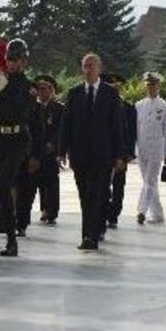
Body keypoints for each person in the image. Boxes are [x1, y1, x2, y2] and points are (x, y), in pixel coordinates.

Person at [58, 53, 126, 251]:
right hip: (80, 156)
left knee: (97, 194)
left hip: (103, 155)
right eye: (84, 66)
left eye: (91, 66)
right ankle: (91, 231)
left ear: (99, 69)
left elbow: (117, 126)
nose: (87, 70)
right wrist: (62, 151)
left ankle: (91, 236)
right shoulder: (74, 93)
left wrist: (120, 155)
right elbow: (66, 124)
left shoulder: (110, 94)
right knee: (84, 195)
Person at [0, 39, 33, 257]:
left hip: (18, 140)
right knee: (3, 188)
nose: (11, 63)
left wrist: (0, 108)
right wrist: (0, 110)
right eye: (9, 59)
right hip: (1, 139)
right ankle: (11, 240)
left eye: (15, 59)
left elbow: (19, 112)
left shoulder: (27, 87)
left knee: (4, 181)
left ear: (23, 61)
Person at [16, 75, 64, 230]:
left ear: (51, 90)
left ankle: (50, 211)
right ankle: (26, 214)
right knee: (32, 183)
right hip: (34, 150)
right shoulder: (31, 108)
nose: (41, 92)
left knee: (50, 183)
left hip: (50, 152)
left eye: (44, 89)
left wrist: (54, 145)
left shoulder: (59, 108)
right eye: (38, 89)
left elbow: (61, 129)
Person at [134, 72, 166, 225]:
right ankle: (158, 215)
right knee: (148, 181)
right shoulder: (139, 105)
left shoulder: (165, 107)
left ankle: (141, 211)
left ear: (159, 86)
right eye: (148, 85)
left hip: (157, 149)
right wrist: (133, 150)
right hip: (142, 148)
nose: (150, 88)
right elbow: (136, 129)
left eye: (153, 85)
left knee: (150, 180)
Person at [102, 73, 138, 230]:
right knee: (102, 186)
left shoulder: (128, 107)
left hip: (121, 154)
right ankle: (102, 214)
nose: (115, 90)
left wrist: (128, 153)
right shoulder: (101, 107)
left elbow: (131, 133)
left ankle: (114, 215)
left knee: (118, 187)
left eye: (118, 87)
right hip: (104, 153)